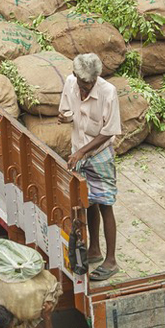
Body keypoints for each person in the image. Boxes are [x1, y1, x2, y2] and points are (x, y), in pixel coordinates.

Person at [58, 53, 122, 281]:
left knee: (105, 203)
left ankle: (111, 261)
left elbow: (110, 130)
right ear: (75, 76)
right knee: (88, 202)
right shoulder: (70, 83)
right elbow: (66, 111)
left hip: (99, 155)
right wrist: (64, 118)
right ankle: (94, 249)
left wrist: (81, 152)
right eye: (83, 83)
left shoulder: (108, 92)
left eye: (90, 83)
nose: (86, 87)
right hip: (79, 151)